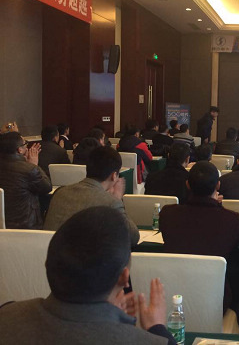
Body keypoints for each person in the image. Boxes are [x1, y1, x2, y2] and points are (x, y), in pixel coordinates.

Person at [0, 206, 177, 344]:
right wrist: (157, 328)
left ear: (48, 264)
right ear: (124, 277)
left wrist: (110, 316)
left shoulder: (6, 315)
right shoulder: (150, 341)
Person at [159, 161, 239, 311]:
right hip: (215, 300)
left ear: (187, 185)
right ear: (218, 185)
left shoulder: (167, 214)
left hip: (172, 296)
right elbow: (233, 244)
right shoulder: (231, 219)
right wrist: (218, 206)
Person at [44, 146, 140, 246]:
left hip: (49, 253)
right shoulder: (111, 202)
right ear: (114, 175)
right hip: (82, 255)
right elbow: (132, 237)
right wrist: (117, 198)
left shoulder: (60, 192)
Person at [0, 132, 51, 229]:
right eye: (25, 144)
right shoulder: (29, 169)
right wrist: (34, 165)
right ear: (19, 150)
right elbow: (47, 187)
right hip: (25, 226)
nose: (27, 147)